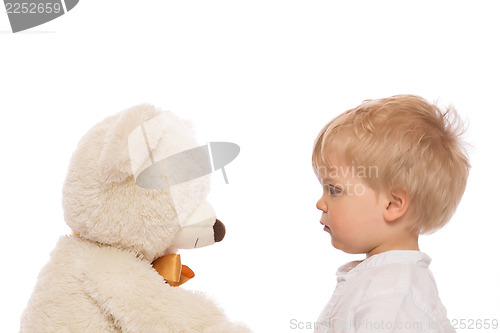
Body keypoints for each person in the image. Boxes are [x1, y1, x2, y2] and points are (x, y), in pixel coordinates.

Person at [312, 95, 469, 332]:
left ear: (393, 205)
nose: (320, 203)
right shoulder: (381, 282)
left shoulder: (391, 297)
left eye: (333, 190)